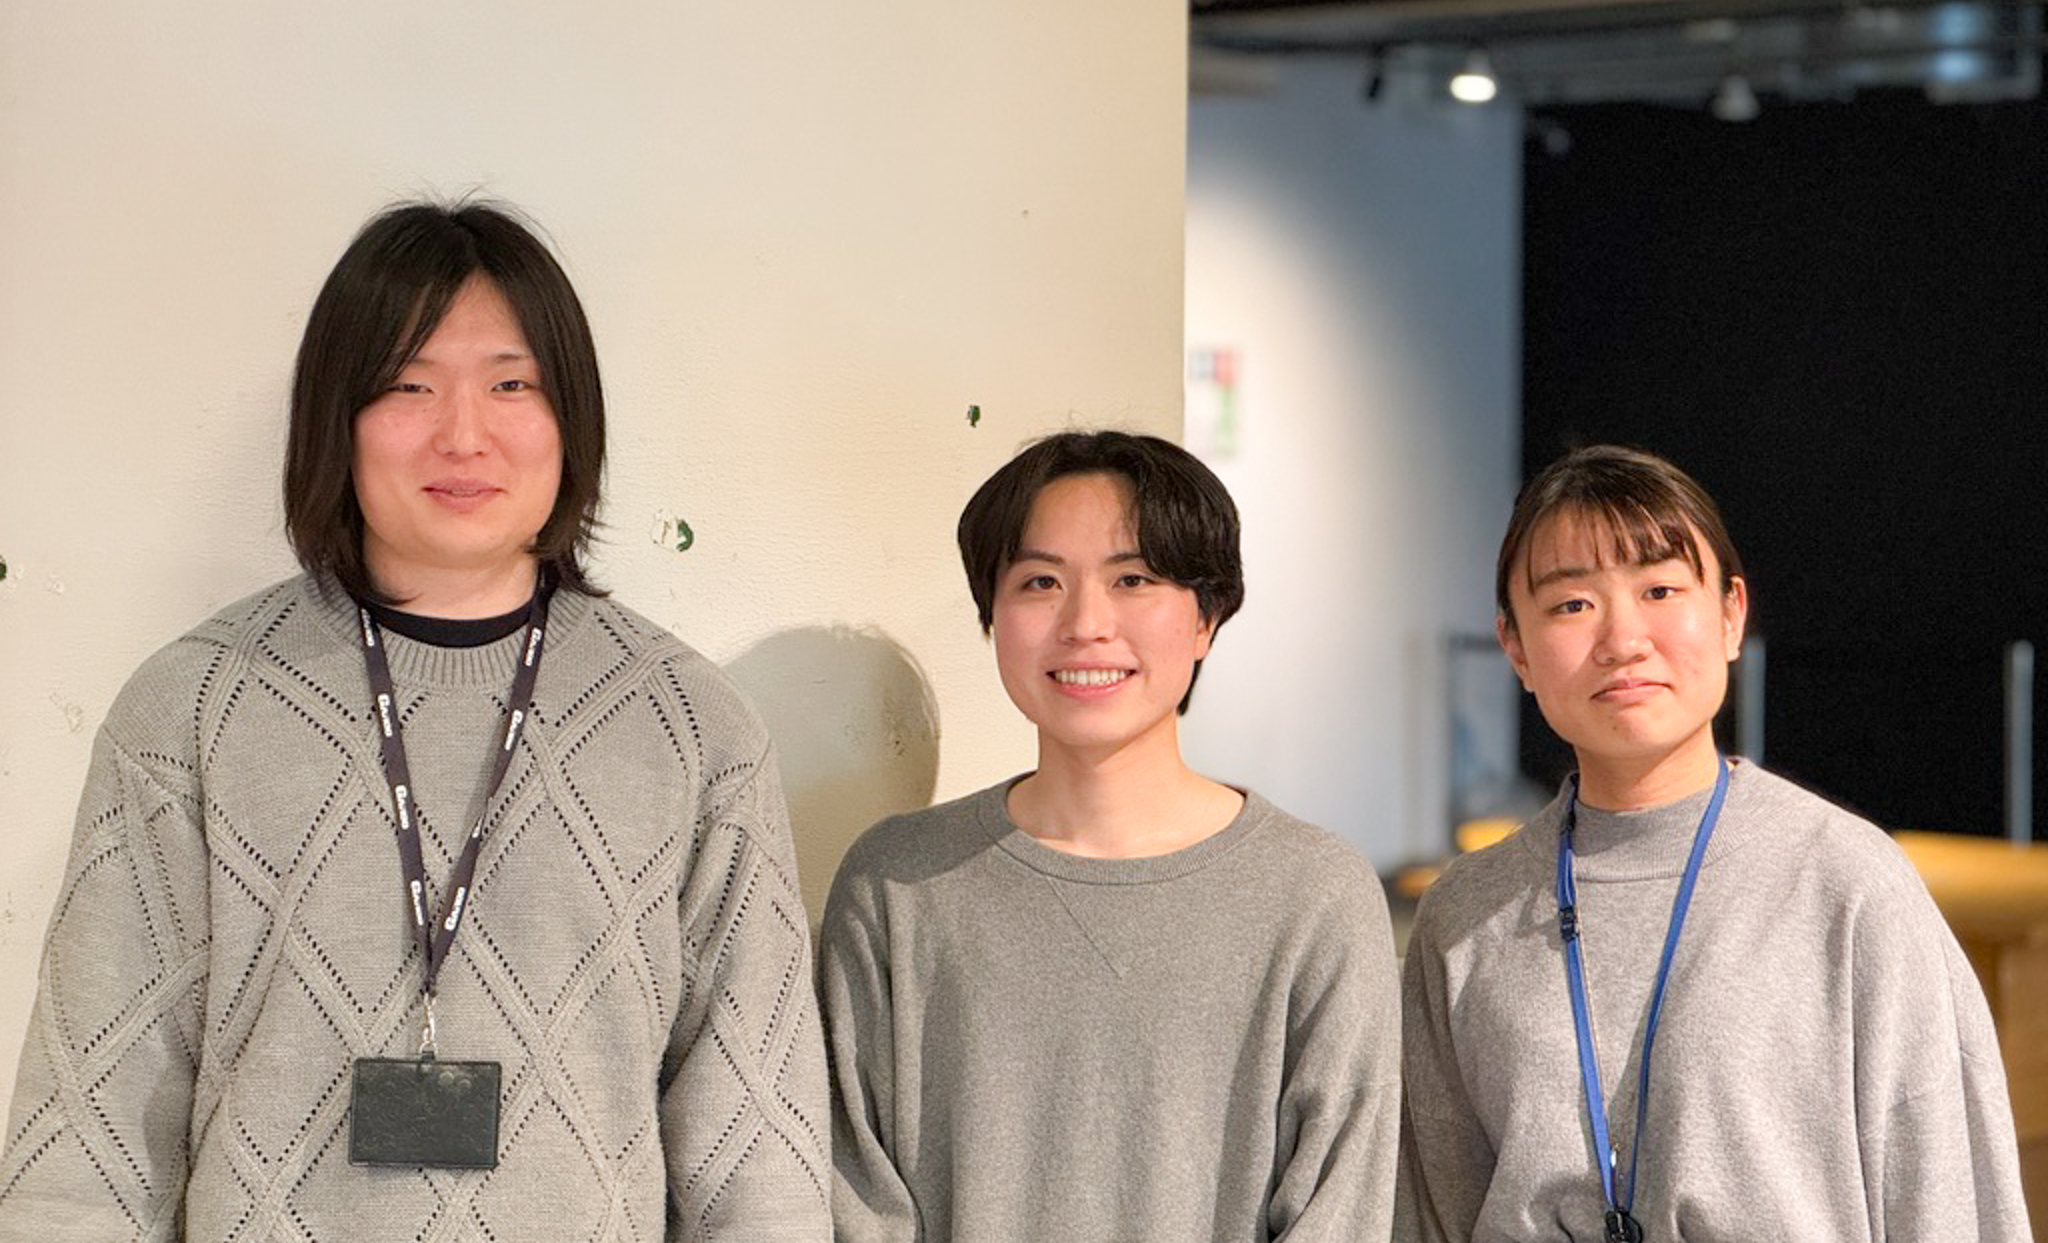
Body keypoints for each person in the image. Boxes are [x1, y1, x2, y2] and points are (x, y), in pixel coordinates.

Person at [0, 201, 830, 1241]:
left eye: (511, 384)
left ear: (571, 417)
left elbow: (759, 1165)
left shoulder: (694, 729)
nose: (463, 433)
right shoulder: (189, 710)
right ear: (336, 418)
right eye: (408, 384)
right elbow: (86, 1152)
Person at [1396, 444, 2031, 1241]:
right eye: (1572, 604)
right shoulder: (1464, 917)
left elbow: (1948, 1201)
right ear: (1515, 646)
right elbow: (1431, 1215)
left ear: (1731, 614)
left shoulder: (1849, 884)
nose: (1623, 639)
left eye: (1660, 589)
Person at [818, 430, 1401, 1242]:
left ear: (1206, 617)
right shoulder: (895, 884)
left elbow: (1339, 1214)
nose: (1086, 623)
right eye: (1040, 581)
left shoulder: (1316, 895)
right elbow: (853, 1203)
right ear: (993, 617)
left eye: (1133, 579)